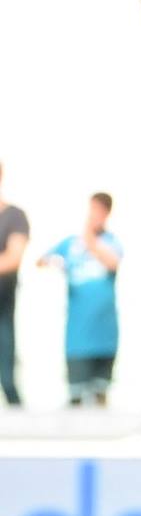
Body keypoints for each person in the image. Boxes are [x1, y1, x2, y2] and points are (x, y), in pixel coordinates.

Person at [40, 192, 123, 406]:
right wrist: (56, 263)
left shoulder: (111, 242)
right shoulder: (71, 243)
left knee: (100, 394)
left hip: (105, 334)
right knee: (75, 396)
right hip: (77, 338)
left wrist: (90, 240)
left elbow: (113, 263)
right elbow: (41, 261)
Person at [0, 162, 27, 406]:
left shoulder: (14, 216)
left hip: (3, 300)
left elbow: (13, 257)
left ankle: (14, 402)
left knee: (6, 373)